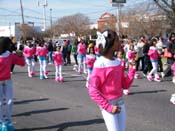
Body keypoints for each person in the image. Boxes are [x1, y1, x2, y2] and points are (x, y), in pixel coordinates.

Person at [88, 30, 136, 131]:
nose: (120, 42)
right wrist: (108, 107)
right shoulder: (100, 64)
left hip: (120, 102)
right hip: (108, 104)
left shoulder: (118, 62)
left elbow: (125, 85)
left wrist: (132, 70)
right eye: (117, 40)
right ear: (110, 44)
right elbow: (92, 91)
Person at [0, 37, 25, 131]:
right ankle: (2, 122)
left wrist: (20, 55)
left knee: (10, 102)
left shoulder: (9, 55)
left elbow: (22, 63)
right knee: (0, 103)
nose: (11, 45)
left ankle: (8, 121)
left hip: (7, 81)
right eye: (9, 44)